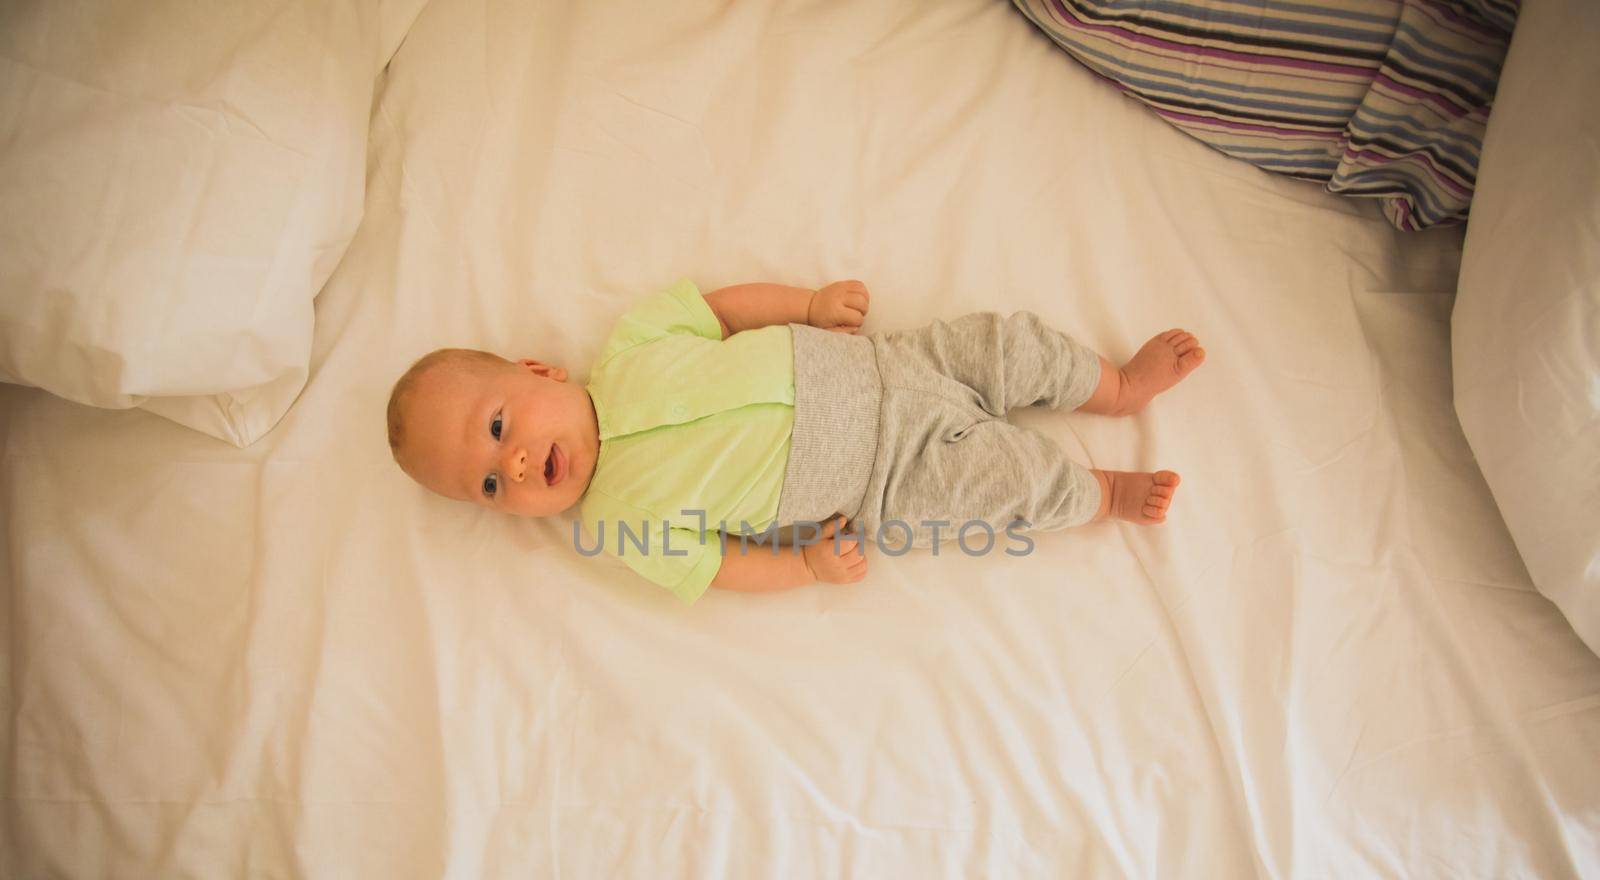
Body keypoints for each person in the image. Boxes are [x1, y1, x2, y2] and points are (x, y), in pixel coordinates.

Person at [385, 279, 1205, 603]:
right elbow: (721, 566)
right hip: (888, 474)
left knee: (1007, 342)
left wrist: (807, 306)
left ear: (537, 371)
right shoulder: (621, 523)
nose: (516, 463)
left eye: (498, 428)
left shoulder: (631, 343)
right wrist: (805, 565)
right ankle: (1104, 495)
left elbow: (723, 309)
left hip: (893, 359)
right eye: (491, 484)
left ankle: (1118, 386)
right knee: (1003, 482)